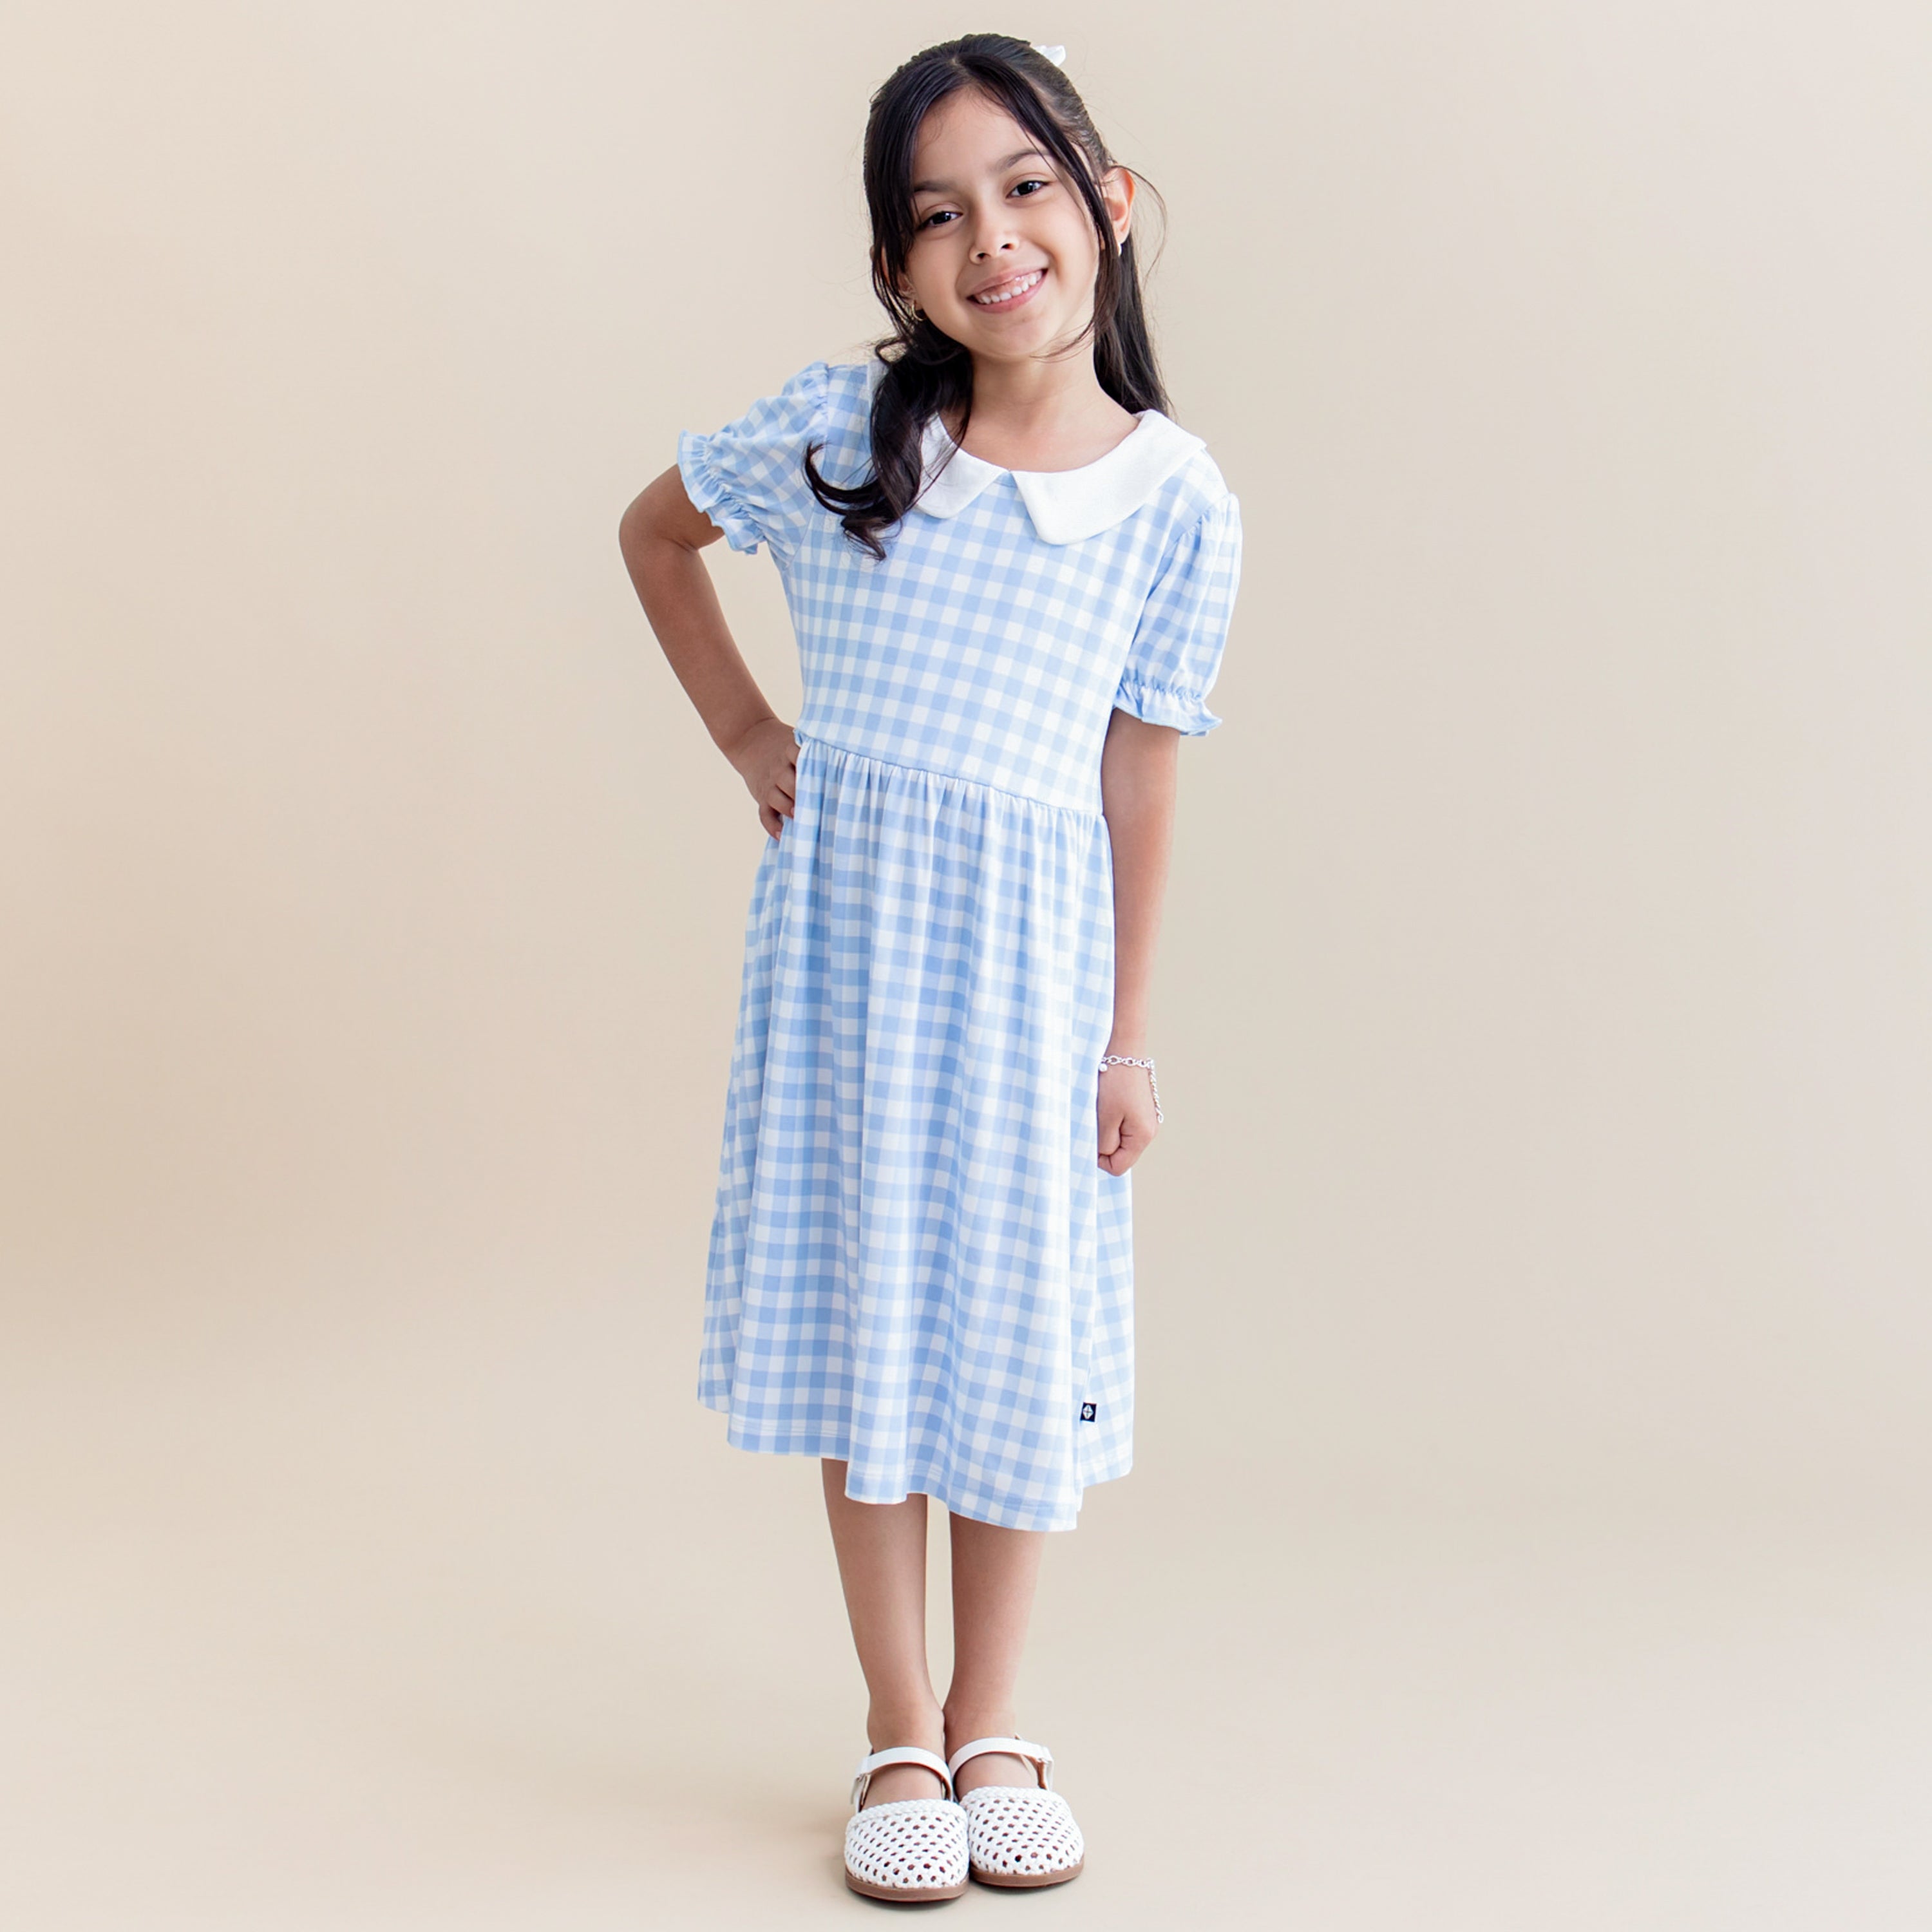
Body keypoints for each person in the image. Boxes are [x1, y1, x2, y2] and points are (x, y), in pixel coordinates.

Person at [617, 33, 1242, 1903]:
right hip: (856, 968)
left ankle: (995, 1717)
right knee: (873, 1326)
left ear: (1108, 205)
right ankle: (897, 1721)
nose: (995, 240)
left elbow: (1143, 764)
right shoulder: (851, 440)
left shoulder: (1176, 496)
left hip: (1038, 973)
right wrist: (748, 738)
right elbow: (656, 537)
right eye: (938, 216)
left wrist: (1130, 1036)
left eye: (1030, 188)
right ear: (899, 269)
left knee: (1012, 1331)